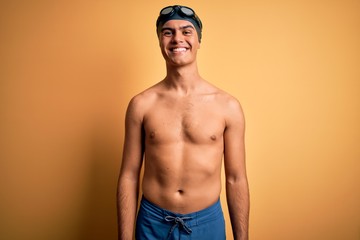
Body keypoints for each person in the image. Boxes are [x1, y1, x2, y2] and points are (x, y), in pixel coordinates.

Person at [117, 5, 249, 240]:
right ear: (159, 41)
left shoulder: (227, 106)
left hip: (206, 223)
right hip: (152, 223)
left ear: (198, 40)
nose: (177, 38)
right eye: (168, 32)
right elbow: (129, 175)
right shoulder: (141, 104)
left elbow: (236, 178)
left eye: (187, 31)